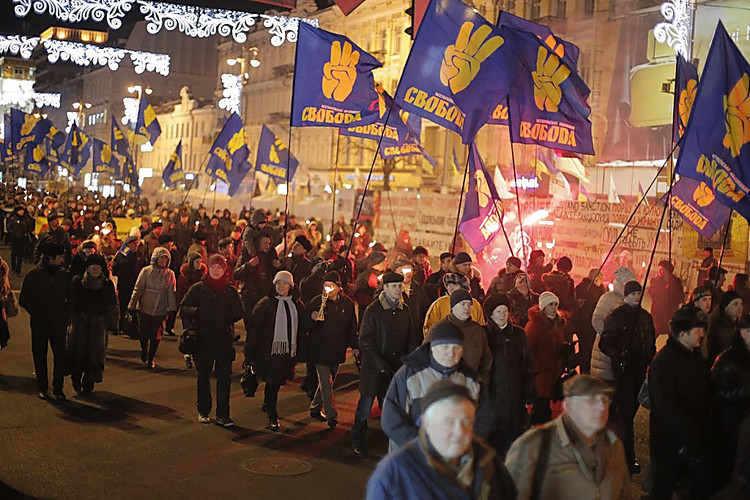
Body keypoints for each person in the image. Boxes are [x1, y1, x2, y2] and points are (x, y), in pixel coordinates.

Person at [366, 380, 517, 500]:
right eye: (448, 422)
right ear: (426, 423)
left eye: (466, 421)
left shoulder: (488, 461)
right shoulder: (394, 473)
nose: (459, 432)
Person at [505, 374, 636, 499]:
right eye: (590, 401)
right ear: (569, 406)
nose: (600, 408)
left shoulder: (614, 447)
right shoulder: (533, 446)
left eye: (604, 400)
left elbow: (624, 494)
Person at [381, 322, 493, 451]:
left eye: (456, 347)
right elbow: (392, 419)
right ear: (432, 348)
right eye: (445, 346)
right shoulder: (409, 375)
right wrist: (424, 447)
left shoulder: (472, 380)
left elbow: (483, 419)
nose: (451, 353)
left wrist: (462, 445)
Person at [648, 306, 715, 499]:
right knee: (664, 489)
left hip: (693, 439)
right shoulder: (664, 361)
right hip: (670, 441)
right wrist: (690, 435)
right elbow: (666, 405)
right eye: (697, 330)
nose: (702, 334)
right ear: (683, 334)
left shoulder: (695, 356)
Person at [353, 270, 417, 456]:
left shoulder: (406, 310)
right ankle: (357, 439)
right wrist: (381, 365)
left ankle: (393, 443)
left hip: (396, 369)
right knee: (365, 407)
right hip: (374, 370)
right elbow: (365, 341)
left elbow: (411, 339)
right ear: (386, 288)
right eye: (395, 286)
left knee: (392, 408)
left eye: (400, 286)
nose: (399, 289)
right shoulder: (373, 310)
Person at [598, 281, 656, 474]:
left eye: (639, 293)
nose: (637, 297)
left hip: (640, 371)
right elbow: (605, 343)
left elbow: (651, 342)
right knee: (625, 416)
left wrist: (650, 358)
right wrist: (620, 354)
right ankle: (626, 459)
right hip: (624, 373)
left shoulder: (645, 317)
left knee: (629, 413)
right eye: (633, 294)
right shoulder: (617, 316)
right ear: (626, 295)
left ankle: (615, 451)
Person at [180, 255, 243, 427]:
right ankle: (203, 410)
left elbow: (239, 310)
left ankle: (223, 414)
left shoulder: (229, 291)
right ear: (209, 269)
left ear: (224, 270)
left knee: (224, 378)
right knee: (203, 377)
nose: (216, 271)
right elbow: (184, 307)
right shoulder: (199, 288)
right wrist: (198, 313)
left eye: (220, 268)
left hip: (223, 338)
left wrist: (226, 318)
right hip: (203, 338)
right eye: (213, 267)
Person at [245, 269, 305, 431]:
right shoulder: (265, 304)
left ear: (291, 286)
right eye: (279, 283)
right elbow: (254, 330)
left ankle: (267, 404)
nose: (281, 287)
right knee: (272, 382)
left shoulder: (296, 305)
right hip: (268, 351)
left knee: (277, 381)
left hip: (287, 352)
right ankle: (272, 413)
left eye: (285, 284)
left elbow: (303, 327)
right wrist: (249, 353)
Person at [305, 270, 358, 429]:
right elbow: (305, 324)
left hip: (337, 349)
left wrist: (355, 346)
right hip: (319, 348)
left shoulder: (347, 304)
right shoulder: (316, 302)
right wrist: (313, 318)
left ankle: (315, 407)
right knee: (326, 381)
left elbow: (351, 327)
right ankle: (331, 414)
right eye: (325, 286)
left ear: (338, 287)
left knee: (328, 381)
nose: (327, 289)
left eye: (331, 286)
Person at [483, 293, 534, 456]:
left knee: (516, 440)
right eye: (498, 311)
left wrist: (529, 392)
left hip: (516, 394)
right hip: (493, 395)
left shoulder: (518, 334)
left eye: (505, 310)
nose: (502, 314)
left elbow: (526, 365)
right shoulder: (484, 334)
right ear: (491, 314)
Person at [19, 241, 71, 401]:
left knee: (60, 357)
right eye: (60, 256)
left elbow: (72, 298)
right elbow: (24, 299)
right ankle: (43, 387)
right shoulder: (34, 275)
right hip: (40, 323)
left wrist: (66, 315)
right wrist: (37, 312)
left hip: (59, 323)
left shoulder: (64, 275)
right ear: (50, 257)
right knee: (40, 356)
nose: (62, 259)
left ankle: (58, 388)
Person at [68, 254, 118, 394]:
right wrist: (71, 318)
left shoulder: (107, 285)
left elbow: (112, 305)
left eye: (98, 266)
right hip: (80, 323)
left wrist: (111, 324)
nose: (95, 269)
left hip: (98, 324)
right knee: (78, 351)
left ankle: (89, 381)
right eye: (92, 266)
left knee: (95, 354)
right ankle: (76, 377)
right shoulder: (77, 282)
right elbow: (71, 302)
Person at [711, 314, 750, 489]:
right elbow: (720, 394)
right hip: (733, 424)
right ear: (743, 332)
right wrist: (746, 391)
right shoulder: (728, 360)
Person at [423, 289, 492, 382]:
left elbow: (486, 361)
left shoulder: (478, 331)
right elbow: (424, 358)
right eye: (463, 304)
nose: (467, 307)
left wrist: (481, 383)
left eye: (469, 304)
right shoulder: (438, 330)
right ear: (453, 307)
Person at [127, 247, 178, 369]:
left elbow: (171, 292)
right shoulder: (146, 272)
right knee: (143, 333)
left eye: (166, 259)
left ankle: (151, 357)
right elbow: (138, 289)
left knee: (156, 335)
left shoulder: (170, 275)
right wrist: (132, 305)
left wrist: (172, 309)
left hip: (160, 309)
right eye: (161, 258)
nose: (163, 261)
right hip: (145, 307)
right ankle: (144, 349)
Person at [590, 266, 637, 385]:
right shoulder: (608, 298)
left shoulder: (632, 301)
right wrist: (609, 338)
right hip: (605, 352)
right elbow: (596, 320)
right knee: (606, 386)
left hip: (621, 351)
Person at [525, 291, 567, 424]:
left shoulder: (557, 324)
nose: (554, 307)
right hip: (541, 372)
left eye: (555, 304)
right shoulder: (535, 325)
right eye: (550, 304)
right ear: (543, 307)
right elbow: (528, 349)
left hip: (554, 370)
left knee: (544, 405)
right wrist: (536, 368)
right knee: (540, 405)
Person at [422, 273, 485, 337]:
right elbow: (429, 329)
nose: (450, 287)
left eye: (454, 284)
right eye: (447, 284)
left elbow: (481, 329)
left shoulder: (475, 305)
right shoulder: (439, 304)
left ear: (463, 286)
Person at [112, 235, 147, 335]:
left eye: (137, 244)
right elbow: (117, 267)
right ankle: (121, 324)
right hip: (124, 284)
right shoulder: (123, 254)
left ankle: (132, 325)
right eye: (134, 244)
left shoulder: (139, 255)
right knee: (123, 304)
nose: (136, 246)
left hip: (135, 283)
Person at [572, 269, 605, 374]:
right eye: (598, 276)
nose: (600, 279)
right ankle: (584, 372)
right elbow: (581, 305)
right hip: (585, 325)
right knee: (585, 351)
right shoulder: (583, 287)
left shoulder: (601, 288)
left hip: (595, 325)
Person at [648, 260, 684, 335]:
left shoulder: (675, 281)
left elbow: (680, 296)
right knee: (654, 332)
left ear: (667, 271)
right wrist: (665, 289)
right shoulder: (655, 280)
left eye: (662, 270)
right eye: (659, 269)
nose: (660, 272)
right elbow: (652, 293)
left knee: (672, 332)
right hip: (658, 313)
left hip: (671, 312)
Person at [708, 290, 743, 364]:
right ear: (725, 306)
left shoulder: (739, 327)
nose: (740, 307)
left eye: (741, 304)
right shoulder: (718, 327)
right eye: (735, 304)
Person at [8, 204, 33, 276]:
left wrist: (26, 233)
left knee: (20, 255)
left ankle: (18, 271)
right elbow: (9, 228)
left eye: (22, 210)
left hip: (23, 239)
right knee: (14, 254)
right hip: (14, 240)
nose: (21, 212)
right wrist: (13, 234)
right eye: (20, 211)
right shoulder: (13, 219)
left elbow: (29, 227)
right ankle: (13, 268)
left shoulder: (26, 220)